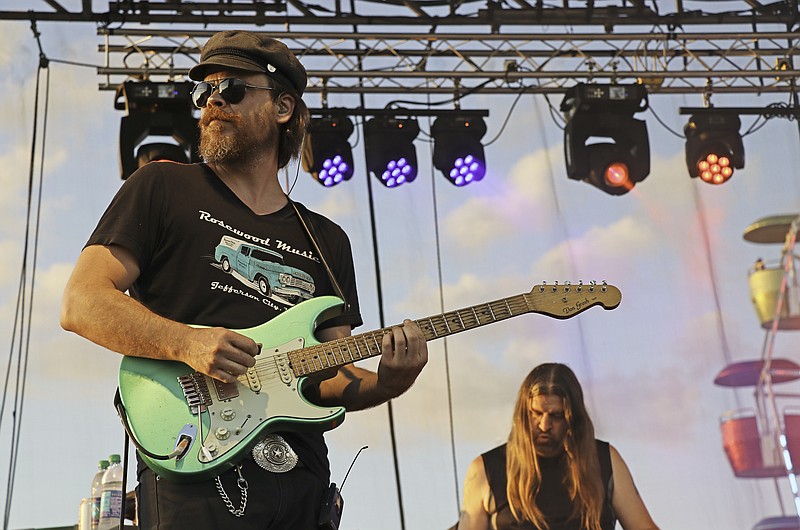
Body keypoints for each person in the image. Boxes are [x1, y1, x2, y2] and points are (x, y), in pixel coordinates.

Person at [60, 30, 428, 529]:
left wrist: (389, 381)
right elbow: (81, 302)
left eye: (231, 88)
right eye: (203, 91)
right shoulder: (162, 186)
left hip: (298, 483)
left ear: (282, 108)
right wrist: (185, 342)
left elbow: (330, 375)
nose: (212, 101)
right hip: (191, 470)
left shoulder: (326, 240)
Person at [457, 363, 658, 530]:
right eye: (536, 413)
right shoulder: (485, 469)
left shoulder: (604, 459)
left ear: (573, 417)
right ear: (523, 413)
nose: (544, 425)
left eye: (556, 416)